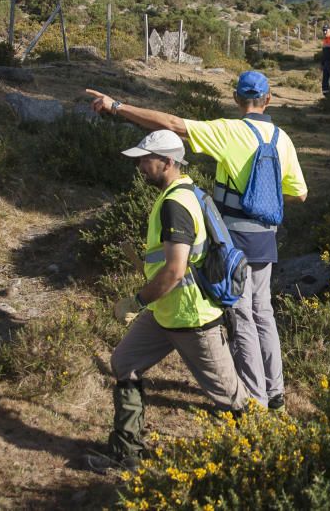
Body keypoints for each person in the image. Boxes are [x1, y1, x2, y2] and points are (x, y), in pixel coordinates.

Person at [86, 71, 308, 410]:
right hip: (266, 239)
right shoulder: (282, 138)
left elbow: (172, 124)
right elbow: (300, 194)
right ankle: (275, 389)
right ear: (269, 100)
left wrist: (117, 106)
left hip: (234, 242)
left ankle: (255, 399)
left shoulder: (231, 131)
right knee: (264, 312)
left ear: (236, 99)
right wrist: (261, 202)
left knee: (241, 316)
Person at [90, 130, 249, 470]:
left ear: (167, 162)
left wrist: (134, 302)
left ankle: (260, 464)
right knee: (125, 361)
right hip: (167, 311)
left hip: (192, 317)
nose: (140, 167)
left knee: (231, 399)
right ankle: (126, 454)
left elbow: (175, 271)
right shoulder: (183, 193)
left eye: (145, 160)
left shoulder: (177, 204)